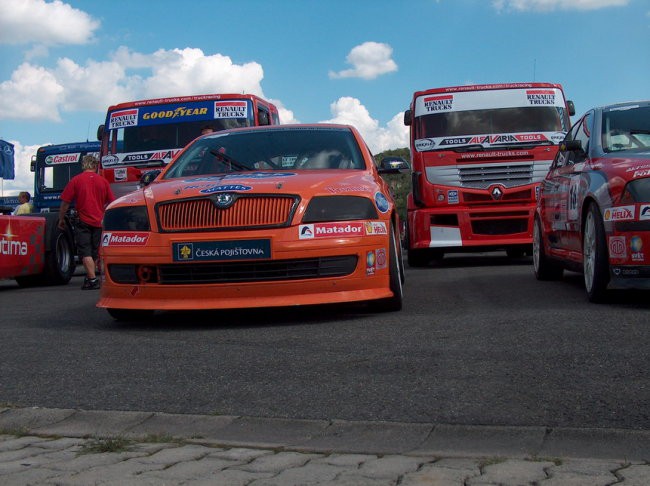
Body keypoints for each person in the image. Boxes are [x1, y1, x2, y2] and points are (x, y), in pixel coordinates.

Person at [58, 155, 115, 290]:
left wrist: (61, 219)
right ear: (95, 166)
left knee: (85, 251)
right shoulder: (103, 181)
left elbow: (65, 202)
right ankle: (90, 277)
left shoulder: (76, 180)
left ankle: (92, 279)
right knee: (94, 251)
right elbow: (112, 201)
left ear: (84, 165)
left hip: (83, 220)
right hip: (99, 221)